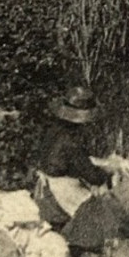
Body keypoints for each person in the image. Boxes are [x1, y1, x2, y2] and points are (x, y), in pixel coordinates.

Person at [30, 86, 113, 230]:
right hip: (59, 193)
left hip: (44, 188)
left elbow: (68, 160)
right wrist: (108, 171)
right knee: (101, 217)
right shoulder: (71, 140)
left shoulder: (53, 130)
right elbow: (92, 176)